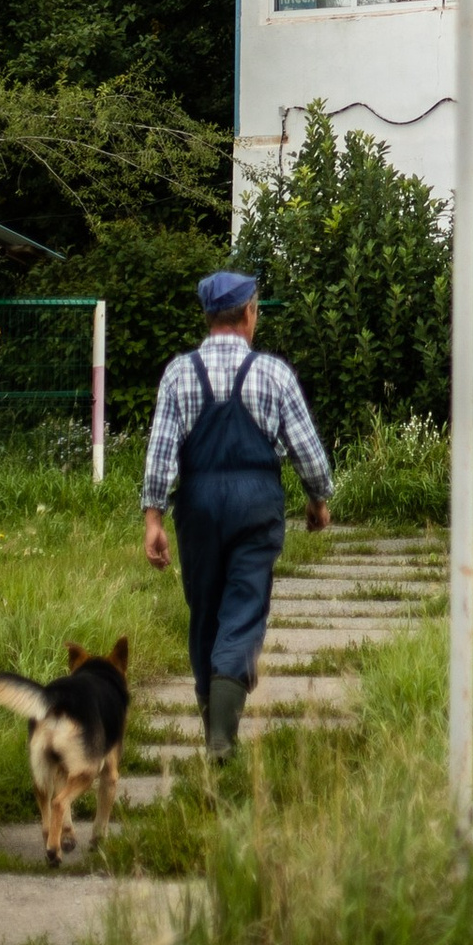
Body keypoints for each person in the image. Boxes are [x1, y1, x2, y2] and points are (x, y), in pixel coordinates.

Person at [141, 269, 333, 759]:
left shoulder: (179, 373)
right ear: (249, 314)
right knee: (245, 604)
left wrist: (154, 519)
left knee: (205, 609)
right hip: (255, 504)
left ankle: (214, 721)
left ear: (207, 318)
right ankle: (222, 735)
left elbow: (161, 452)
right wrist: (317, 498)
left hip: (199, 506)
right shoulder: (273, 373)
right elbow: (307, 451)